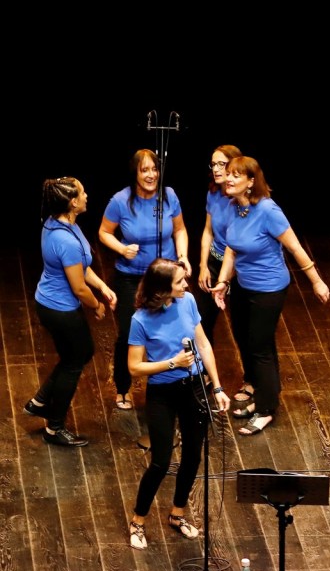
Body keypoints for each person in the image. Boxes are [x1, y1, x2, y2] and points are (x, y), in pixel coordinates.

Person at [211, 156, 330, 434]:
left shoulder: (268, 210)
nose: (229, 179)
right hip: (244, 285)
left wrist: (316, 281)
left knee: (259, 346)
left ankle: (265, 409)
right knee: (246, 340)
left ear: (251, 182)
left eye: (236, 175)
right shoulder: (233, 207)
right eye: (228, 173)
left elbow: (295, 247)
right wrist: (223, 281)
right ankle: (267, 394)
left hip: (269, 287)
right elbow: (231, 249)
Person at [126, 258, 230, 550]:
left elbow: (204, 344)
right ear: (162, 289)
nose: (186, 284)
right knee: (160, 461)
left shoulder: (187, 302)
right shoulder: (140, 320)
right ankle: (138, 520)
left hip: (194, 387)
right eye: (180, 281)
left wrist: (217, 386)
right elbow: (135, 367)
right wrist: (172, 363)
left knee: (193, 456)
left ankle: (177, 513)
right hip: (162, 392)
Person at [25, 177, 117, 447]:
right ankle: (54, 428)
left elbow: (81, 266)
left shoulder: (61, 223)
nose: (87, 195)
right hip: (60, 310)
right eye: (82, 192)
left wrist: (102, 286)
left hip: (53, 304)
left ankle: (40, 401)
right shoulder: (65, 240)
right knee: (75, 360)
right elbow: (78, 287)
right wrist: (97, 305)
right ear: (73, 203)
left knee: (77, 354)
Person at [99, 149, 190, 411]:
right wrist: (121, 248)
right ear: (135, 173)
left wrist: (182, 256)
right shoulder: (120, 201)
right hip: (131, 276)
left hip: (163, 276)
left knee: (172, 329)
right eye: (145, 170)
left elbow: (180, 229)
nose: (151, 175)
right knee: (129, 332)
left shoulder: (169, 195)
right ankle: (123, 387)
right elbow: (104, 232)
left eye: (154, 169)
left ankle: (172, 384)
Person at [195, 144, 243, 350]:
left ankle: (250, 371)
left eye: (221, 164)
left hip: (239, 268)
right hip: (215, 262)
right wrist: (203, 266)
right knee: (201, 321)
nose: (215, 169)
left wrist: (227, 278)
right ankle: (203, 367)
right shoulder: (213, 193)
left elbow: (240, 246)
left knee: (242, 327)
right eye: (213, 164)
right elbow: (208, 231)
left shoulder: (244, 200)